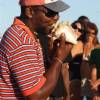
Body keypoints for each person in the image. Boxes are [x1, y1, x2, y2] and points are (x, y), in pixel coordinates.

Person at [0, 0, 73, 100]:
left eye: (57, 13)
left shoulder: (28, 35)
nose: (56, 18)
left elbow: (38, 79)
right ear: (30, 11)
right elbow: (35, 96)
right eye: (51, 13)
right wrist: (59, 60)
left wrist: (52, 59)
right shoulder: (22, 40)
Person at [81, 22, 99, 100]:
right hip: (83, 79)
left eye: (93, 33)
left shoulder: (97, 47)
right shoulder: (81, 45)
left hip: (93, 79)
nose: (90, 35)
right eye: (88, 32)